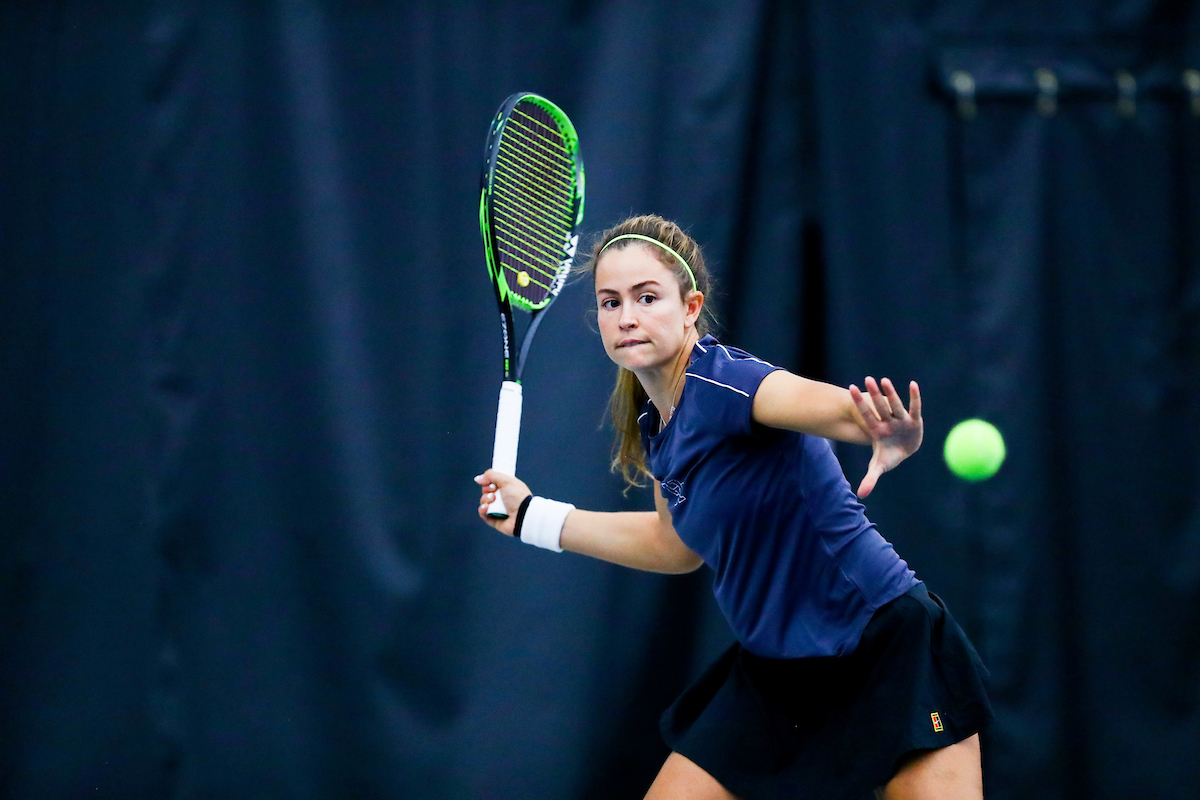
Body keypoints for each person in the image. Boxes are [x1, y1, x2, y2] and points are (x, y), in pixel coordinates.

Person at [474, 215, 992, 799]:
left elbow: (818, 403)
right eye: (609, 302)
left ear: (691, 306)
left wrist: (876, 427)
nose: (627, 317)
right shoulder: (658, 427)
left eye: (647, 298)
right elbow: (673, 547)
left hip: (883, 647)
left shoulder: (727, 382)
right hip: (775, 677)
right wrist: (531, 517)